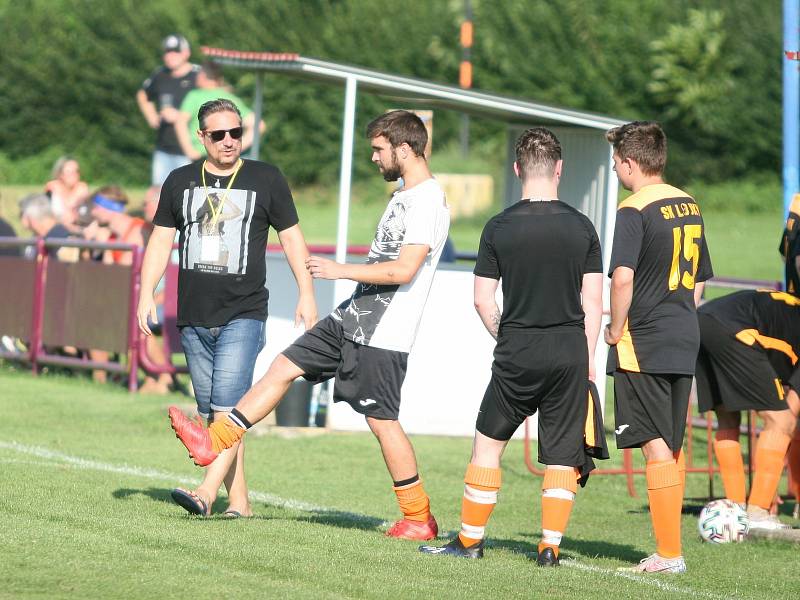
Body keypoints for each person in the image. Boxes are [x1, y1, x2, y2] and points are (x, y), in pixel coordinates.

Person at [168, 110, 450, 538]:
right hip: (352, 319)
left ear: (404, 149)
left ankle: (417, 517)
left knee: (382, 422)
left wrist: (340, 270)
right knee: (283, 367)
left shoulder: (428, 199)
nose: (374, 158)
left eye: (378, 149)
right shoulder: (402, 195)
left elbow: (404, 270)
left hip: (384, 331)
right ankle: (215, 441)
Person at [418, 127, 604, 564]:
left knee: (488, 444)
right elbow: (593, 302)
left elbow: (483, 299)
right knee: (561, 453)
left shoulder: (498, 227)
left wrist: (509, 337)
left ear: (518, 169)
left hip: (518, 350)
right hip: (569, 352)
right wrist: (587, 358)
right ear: (559, 169)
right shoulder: (582, 228)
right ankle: (550, 547)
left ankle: (469, 541)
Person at [137, 98, 317, 518]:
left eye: (236, 132)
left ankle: (205, 493)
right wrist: (147, 292)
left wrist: (306, 291)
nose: (229, 141)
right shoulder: (179, 181)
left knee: (226, 410)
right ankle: (240, 502)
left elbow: (291, 238)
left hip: (244, 312)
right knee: (216, 416)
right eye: (218, 134)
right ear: (202, 137)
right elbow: (160, 241)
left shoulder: (266, 178)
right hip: (193, 315)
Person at [604, 121, 713, 574]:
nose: (615, 169)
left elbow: (623, 276)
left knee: (654, 445)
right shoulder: (688, 202)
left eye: (615, 162)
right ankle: (670, 551)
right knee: (670, 442)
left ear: (629, 163)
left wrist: (614, 328)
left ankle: (669, 554)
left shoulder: (634, 208)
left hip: (643, 340)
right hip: (684, 333)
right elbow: (701, 281)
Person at [695, 290, 800, 530]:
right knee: (782, 422)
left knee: (728, 420)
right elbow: (788, 416)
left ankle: (736, 511)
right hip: (737, 328)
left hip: (703, 319)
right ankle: (758, 512)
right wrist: (769, 481)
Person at [136, 34, 199, 186]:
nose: (170, 55)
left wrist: (181, 117)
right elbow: (143, 94)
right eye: (167, 51)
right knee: (159, 194)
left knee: (185, 196)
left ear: (186, 53)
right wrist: (152, 117)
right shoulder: (160, 74)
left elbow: (214, 103)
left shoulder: (198, 75)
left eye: (175, 51)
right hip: (163, 148)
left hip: (189, 149)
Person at [174, 61, 265, 161]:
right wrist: (236, 148)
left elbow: (180, 122)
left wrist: (189, 151)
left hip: (201, 156)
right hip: (224, 158)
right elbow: (259, 125)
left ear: (203, 75)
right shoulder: (229, 97)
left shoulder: (194, 96)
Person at [44, 156, 89, 226]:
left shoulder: (82, 188)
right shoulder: (52, 188)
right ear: (60, 174)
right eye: (69, 172)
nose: (74, 175)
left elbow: (86, 215)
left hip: (78, 228)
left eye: (76, 171)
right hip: (57, 228)